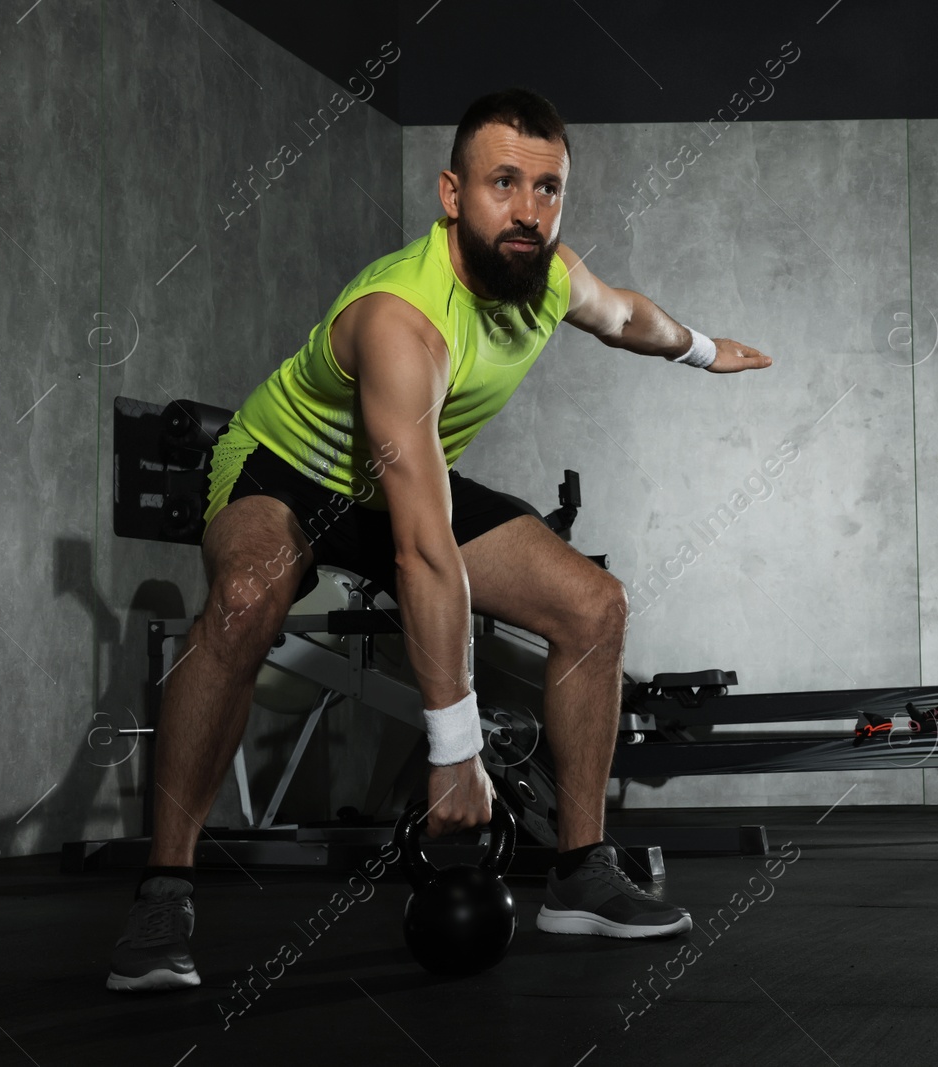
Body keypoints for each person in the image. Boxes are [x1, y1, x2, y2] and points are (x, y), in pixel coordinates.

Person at [106, 87, 772, 992]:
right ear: (451, 194)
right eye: (505, 183)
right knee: (244, 601)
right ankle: (164, 890)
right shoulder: (402, 318)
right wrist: (455, 751)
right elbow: (425, 552)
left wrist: (701, 347)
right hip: (287, 472)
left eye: (548, 189)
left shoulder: (547, 277)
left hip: (403, 475)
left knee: (594, 605)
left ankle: (580, 871)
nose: (529, 210)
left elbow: (623, 318)